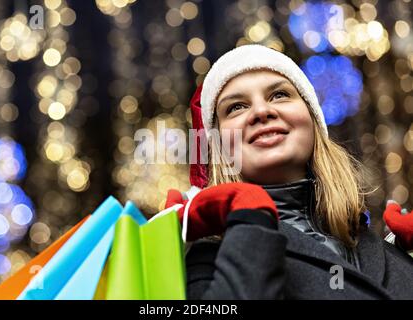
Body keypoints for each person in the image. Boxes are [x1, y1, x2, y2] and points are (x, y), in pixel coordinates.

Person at [165, 45, 413, 299]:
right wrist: (251, 217)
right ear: (218, 147)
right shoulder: (210, 262)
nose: (262, 112)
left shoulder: (388, 251)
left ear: (312, 120)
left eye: (279, 95)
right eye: (236, 107)